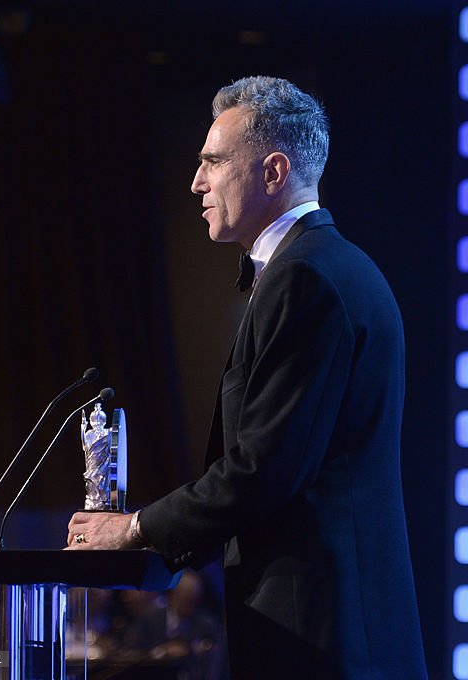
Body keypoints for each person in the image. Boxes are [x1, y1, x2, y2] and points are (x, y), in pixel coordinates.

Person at [65, 75, 427, 679]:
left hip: (318, 636)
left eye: (212, 162)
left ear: (273, 172)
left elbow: (266, 470)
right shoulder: (328, 266)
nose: (196, 182)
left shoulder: (305, 278)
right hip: (331, 625)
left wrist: (133, 528)